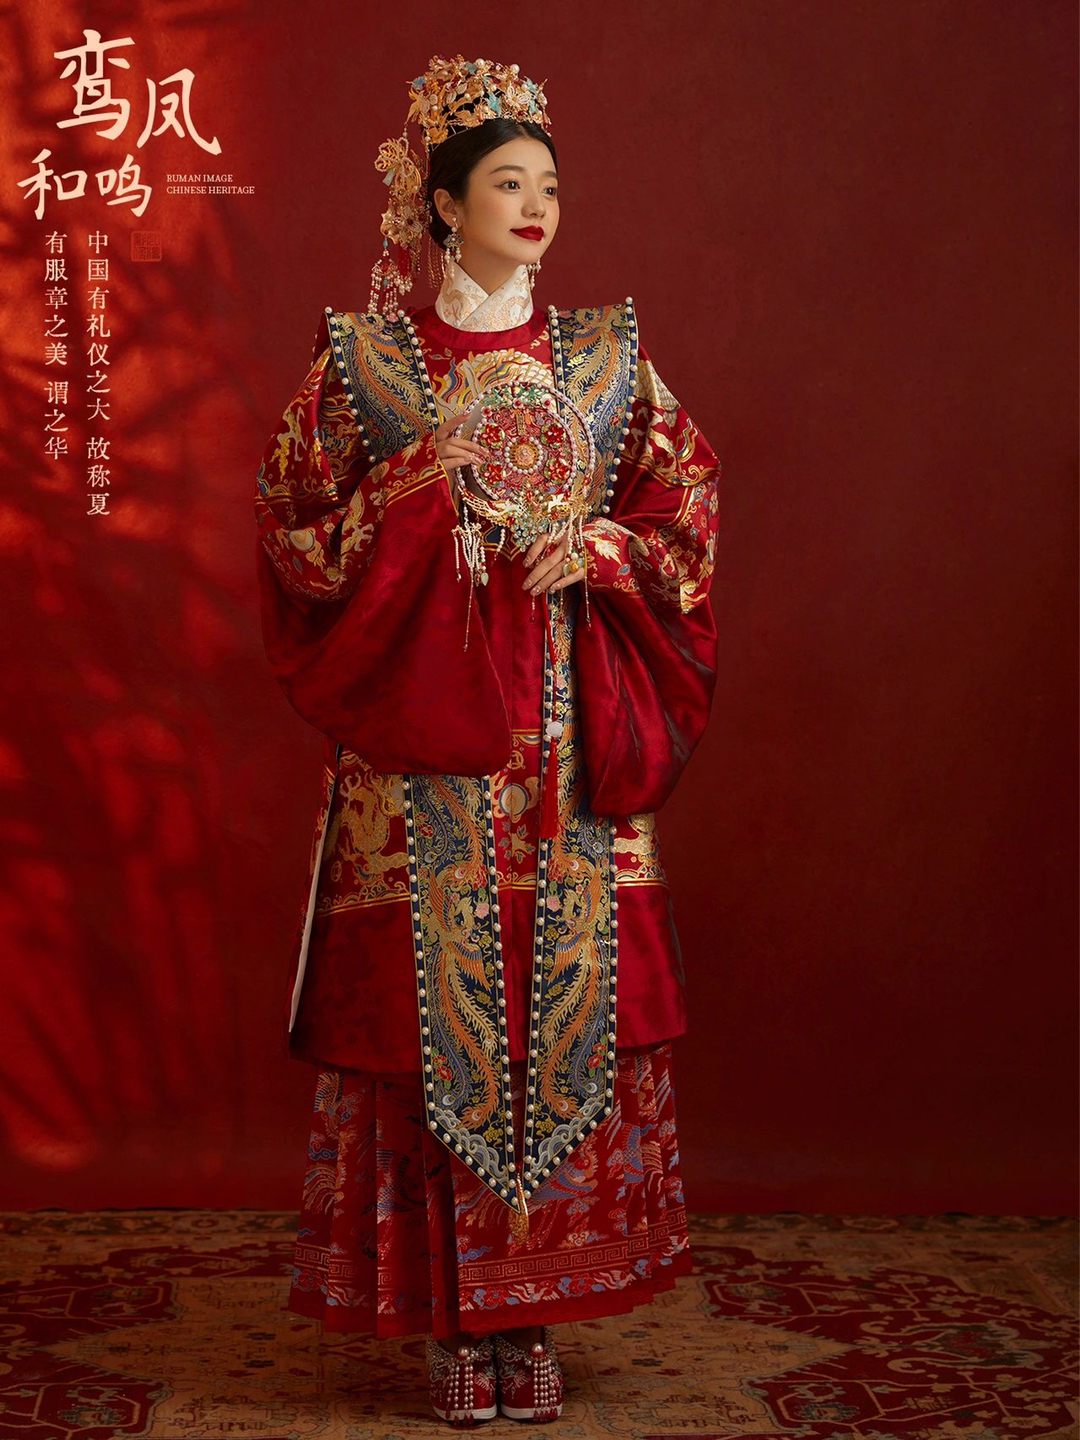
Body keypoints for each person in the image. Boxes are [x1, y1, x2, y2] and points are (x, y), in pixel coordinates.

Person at [254, 53, 722, 1428]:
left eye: (551, 187)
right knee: (430, 1033)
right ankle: (454, 1325)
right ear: (443, 206)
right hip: (421, 772)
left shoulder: (607, 362)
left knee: (563, 1027)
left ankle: (537, 1317)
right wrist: (418, 489)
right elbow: (294, 539)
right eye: (509, 183)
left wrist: (607, 552)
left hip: (571, 761)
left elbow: (689, 511)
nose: (538, 208)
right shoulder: (364, 366)